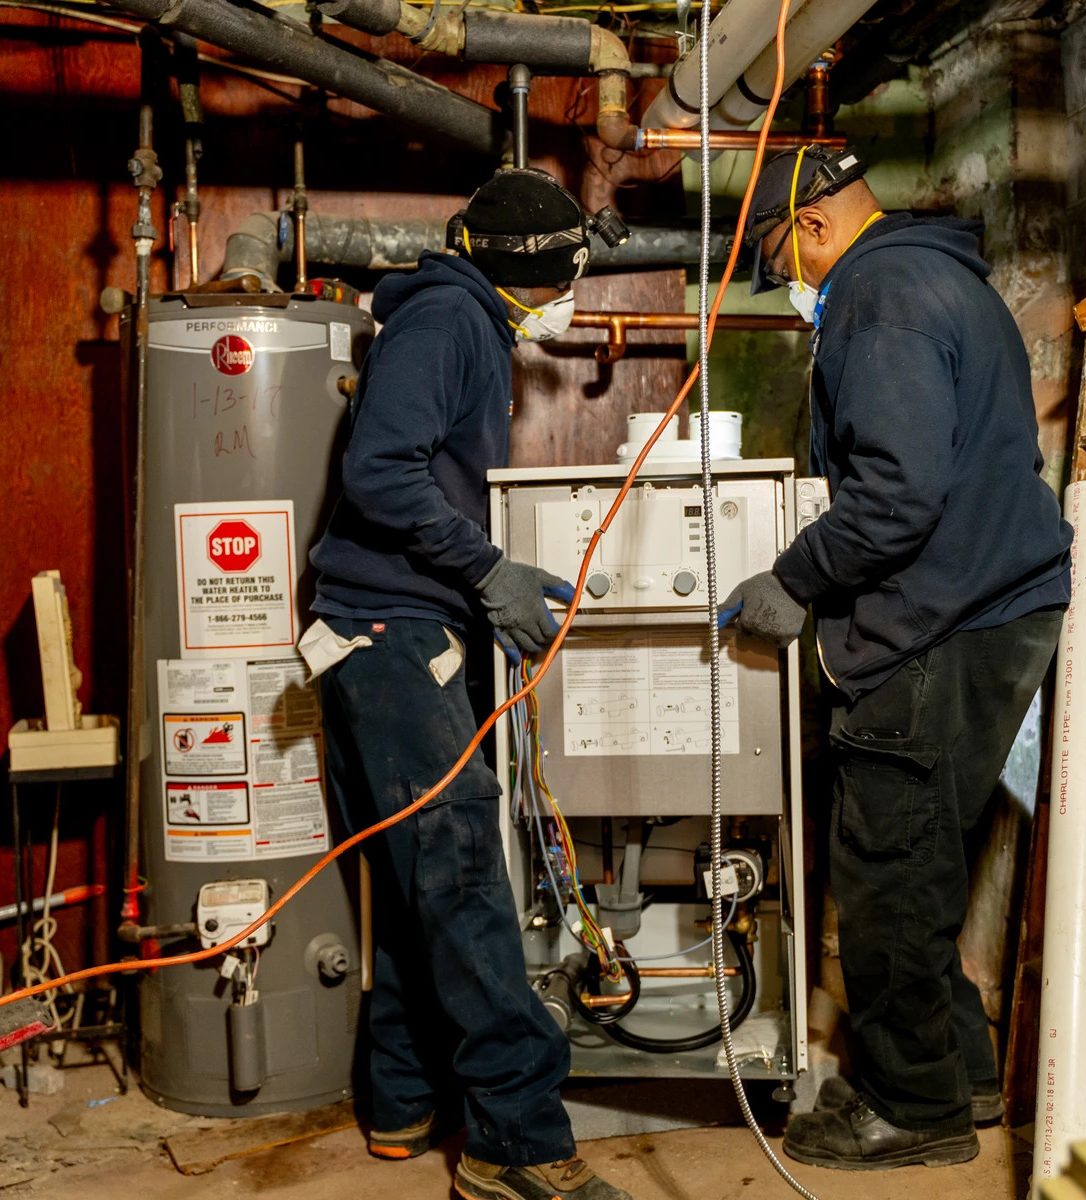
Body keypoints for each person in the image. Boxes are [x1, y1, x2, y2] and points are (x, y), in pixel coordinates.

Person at [719, 145, 1073, 1170]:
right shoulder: (940, 277)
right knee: (923, 863)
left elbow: (895, 496)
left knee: (884, 876)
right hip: (988, 609)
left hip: (937, 623)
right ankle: (957, 1069)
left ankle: (913, 1112)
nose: (791, 281)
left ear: (816, 227)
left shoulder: (877, 298)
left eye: (784, 256)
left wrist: (792, 579)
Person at [303, 167, 631, 1200]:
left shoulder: (464, 324)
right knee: (463, 882)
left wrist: (483, 574)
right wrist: (484, 570)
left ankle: (403, 1101)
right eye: (569, 273)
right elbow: (380, 474)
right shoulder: (451, 320)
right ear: (535, 268)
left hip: (381, 626)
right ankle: (516, 1143)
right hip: (390, 632)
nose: (573, 291)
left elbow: (414, 479)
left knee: (413, 883)